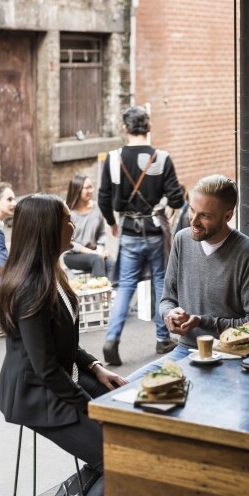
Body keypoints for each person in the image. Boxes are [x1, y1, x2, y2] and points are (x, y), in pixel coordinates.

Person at [0, 193, 128, 496]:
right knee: (117, 461)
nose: (73, 225)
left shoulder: (54, 271)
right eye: (67, 220)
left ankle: (81, 487)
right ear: (49, 229)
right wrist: (89, 407)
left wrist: (96, 367)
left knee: (127, 420)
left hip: (62, 378)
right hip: (36, 393)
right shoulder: (30, 287)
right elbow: (46, 368)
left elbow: (64, 343)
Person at [126, 174, 249, 380]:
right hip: (186, 352)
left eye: (205, 216)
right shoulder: (182, 240)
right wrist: (170, 314)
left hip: (230, 358)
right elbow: (167, 298)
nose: (193, 220)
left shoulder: (248, 253)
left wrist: (202, 321)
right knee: (120, 388)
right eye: (192, 210)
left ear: (227, 216)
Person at [98, 105, 185, 364]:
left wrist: (113, 222)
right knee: (160, 282)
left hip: (128, 231)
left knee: (125, 285)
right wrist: (163, 210)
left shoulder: (113, 159)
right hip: (156, 231)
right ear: (148, 128)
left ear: (124, 129)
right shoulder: (161, 158)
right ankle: (162, 338)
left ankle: (112, 338)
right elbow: (178, 198)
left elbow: (104, 197)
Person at [63, 174, 115, 278]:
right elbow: (68, 241)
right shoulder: (67, 211)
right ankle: (99, 292)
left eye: (91, 187)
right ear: (77, 189)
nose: (91, 191)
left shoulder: (96, 208)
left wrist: (99, 250)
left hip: (94, 252)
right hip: (72, 256)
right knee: (97, 259)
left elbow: (102, 233)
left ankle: (111, 293)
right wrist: (93, 253)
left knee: (111, 264)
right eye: (87, 188)